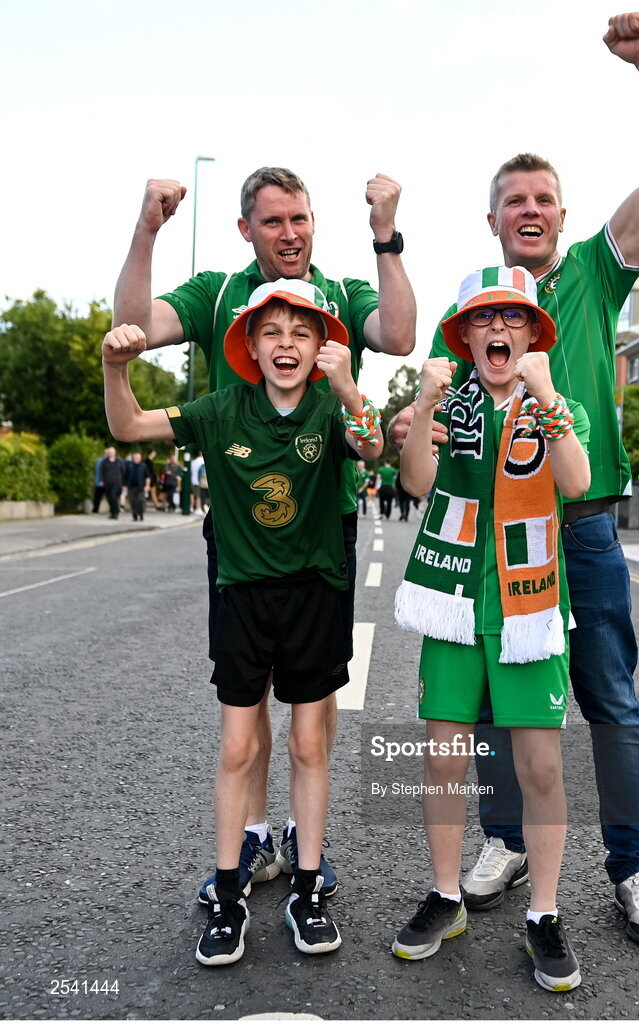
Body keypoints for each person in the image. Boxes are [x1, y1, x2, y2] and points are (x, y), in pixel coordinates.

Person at [390, 12, 639, 948]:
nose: (530, 209)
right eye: (514, 198)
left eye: (544, 198)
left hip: (580, 523)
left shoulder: (596, 274)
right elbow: (431, 434)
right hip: (487, 538)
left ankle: (635, 864)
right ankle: (507, 841)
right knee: (484, 696)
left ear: (562, 212)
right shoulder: (475, 305)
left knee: (609, 697)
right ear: (492, 218)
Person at [113, 165, 415, 904]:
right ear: (247, 229)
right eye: (274, 222)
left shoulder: (340, 297)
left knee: (311, 700)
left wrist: (385, 233)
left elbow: (401, 335)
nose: (291, 233)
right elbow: (133, 326)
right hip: (244, 529)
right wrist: (148, 229)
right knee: (251, 698)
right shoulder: (219, 293)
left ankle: (303, 835)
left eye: (301, 219)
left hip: (326, 521)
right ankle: (251, 838)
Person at [102, 280, 384, 966]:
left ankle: (307, 888)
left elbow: (373, 449)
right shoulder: (220, 408)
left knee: (309, 745)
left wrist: (347, 387)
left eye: (301, 331)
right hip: (243, 596)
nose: (286, 342)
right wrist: (116, 368)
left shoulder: (328, 408)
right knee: (237, 748)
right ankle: (228, 894)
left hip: (315, 592)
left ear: (321, 346)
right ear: (250, 347)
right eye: (271, 331)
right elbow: (129, 427)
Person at [392, 267, 590, 991]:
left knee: (540, 766)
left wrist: (546, 396)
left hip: (530, 603)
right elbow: (415, 482)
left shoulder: (554, 405)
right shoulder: (450, 403)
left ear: (534, 335)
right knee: (444, 760)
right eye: (482, 319)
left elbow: (574, 480)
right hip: (452, 598)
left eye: (513, 318)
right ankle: (446, 897)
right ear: (465, 336)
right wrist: (423, 400)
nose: (497, 329)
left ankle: (543, 912)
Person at [100, 446, 125, 519]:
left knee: (113, 496)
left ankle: (116, 512)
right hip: (107, 483)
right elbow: (102, 471)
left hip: (117, 483)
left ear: (115, 453)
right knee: (109, 498)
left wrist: (123, 482)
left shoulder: (119, 461)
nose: (110, 453)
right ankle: (112, 513)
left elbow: (123, 471)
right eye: (109, 452)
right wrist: (102, 480)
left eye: (112, 452)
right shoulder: (105, 461)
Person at [125, 451, 149, 521]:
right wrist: (124, 485)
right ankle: (134, 515)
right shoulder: (129, 465)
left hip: (141, 487)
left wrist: (147, 486)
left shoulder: (144, 466)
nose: (137, 459)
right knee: (132, 501)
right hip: (131, 487)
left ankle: (141, 513)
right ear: (133, 458)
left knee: (140, 500)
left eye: (138, 458)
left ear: (140, 458)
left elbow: (147, 476)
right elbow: (125, 475)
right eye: (135, 458)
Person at [91, 448, 107, 513]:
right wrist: (100, 480)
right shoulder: (101, 461)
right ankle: (95, 510)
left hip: (107, 483)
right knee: (97, 497)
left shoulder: (108, 461)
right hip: (100, 483)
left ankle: (113, 510)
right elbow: (98, 471)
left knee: (110, 497)